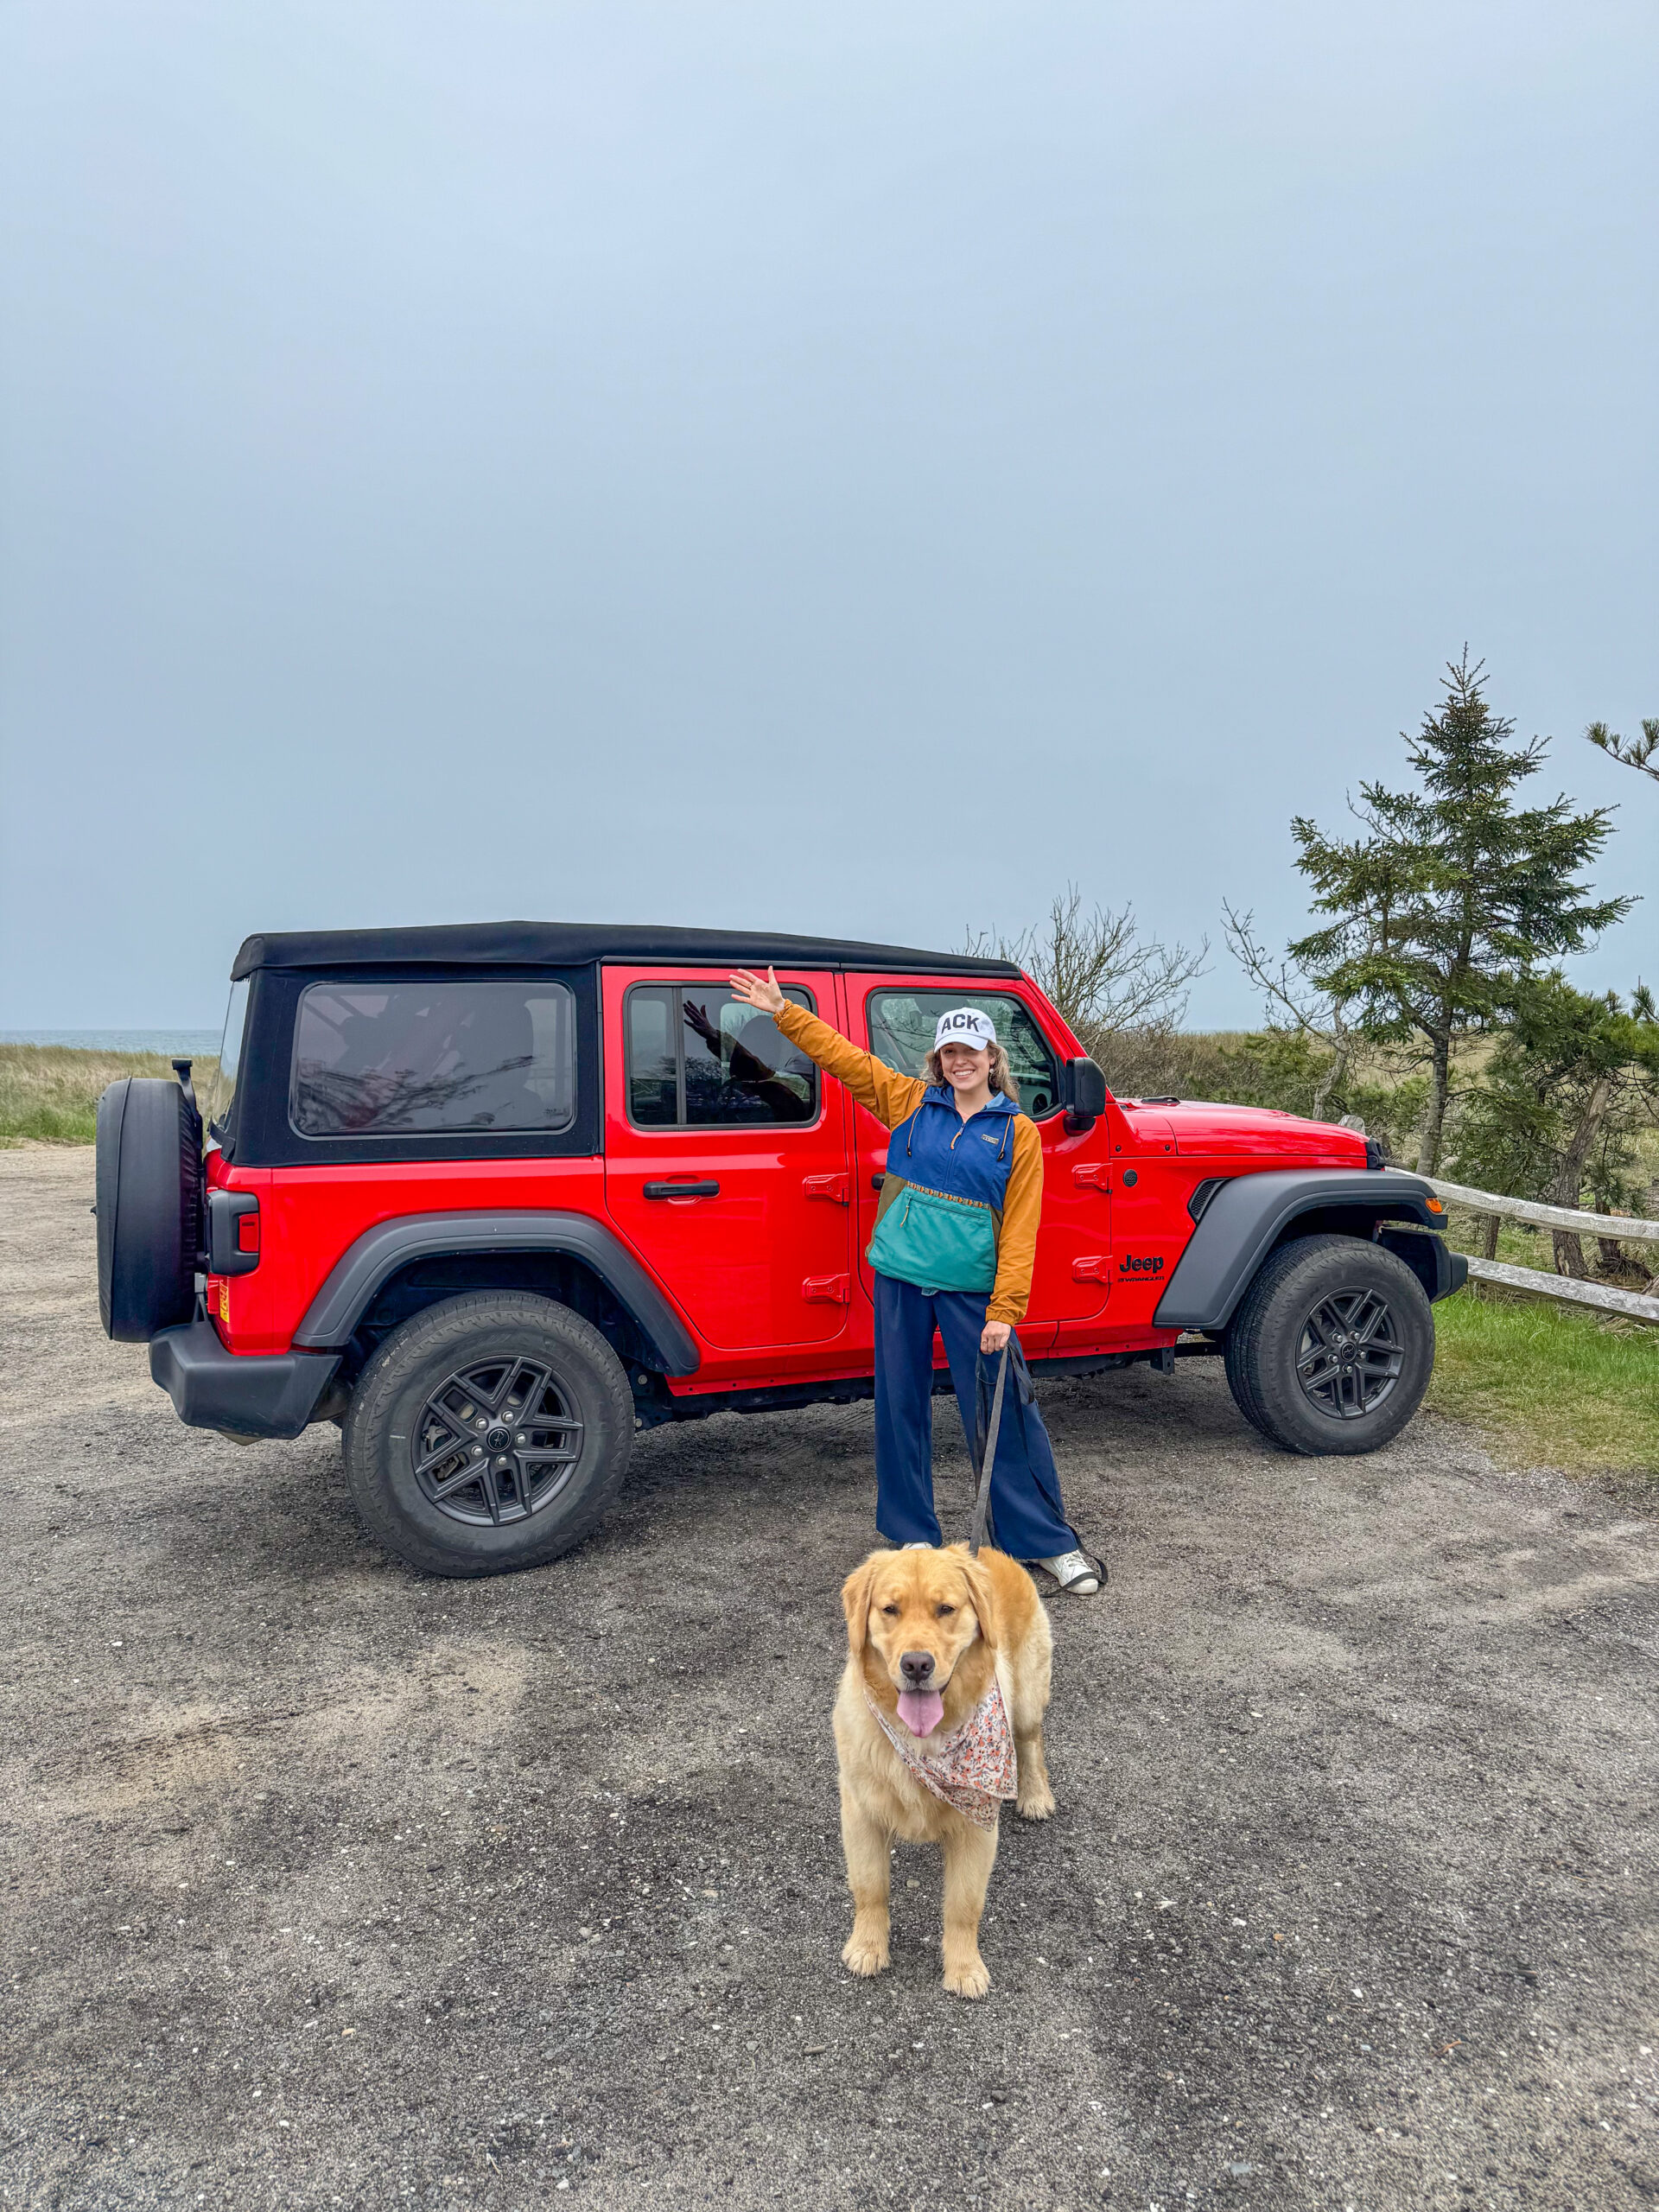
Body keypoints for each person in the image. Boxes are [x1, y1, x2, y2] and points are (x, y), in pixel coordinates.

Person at [728, 968, 1103, 1595]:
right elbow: (844, 1058)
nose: (960, 1063)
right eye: (949, 1053)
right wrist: (782, 1012)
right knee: (900, 1411)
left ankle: (1045, 1541)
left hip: (973, 1296)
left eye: (970, 1053)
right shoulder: (908, 1103)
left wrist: (1005, 1310)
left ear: (991, 1058)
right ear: (939, 1060)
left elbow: (1021, 1230)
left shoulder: (1018, 1134)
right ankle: (911, 1541)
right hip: (901, 1282)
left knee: (1001, 1411)